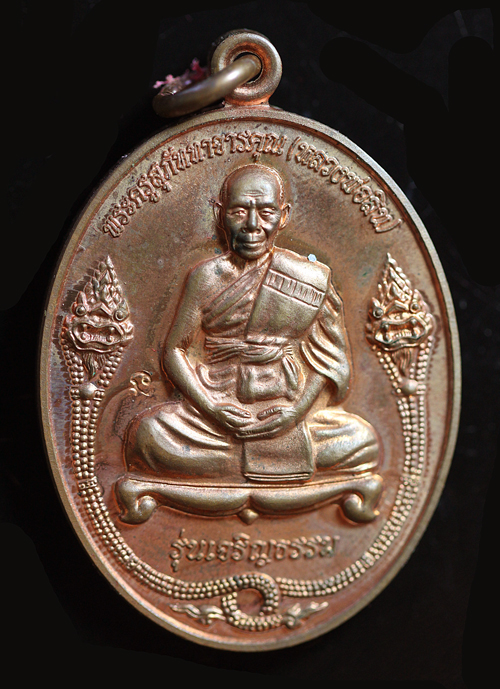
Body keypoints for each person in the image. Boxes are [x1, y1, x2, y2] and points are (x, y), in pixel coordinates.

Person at [125, 164, 379, 485]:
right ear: (220, 214)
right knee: (148, 436)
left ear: (284, 216)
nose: (253, 225)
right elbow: (174, 351)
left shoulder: (309, 278)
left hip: (286, 408)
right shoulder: (205, 277)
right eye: (239, 212)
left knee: (360, 440)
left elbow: (327, 359)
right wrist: (213, 409)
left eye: (267, 212)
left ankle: (229, 468)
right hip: (215, 412)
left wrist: (296, 413)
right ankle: (247, 465)